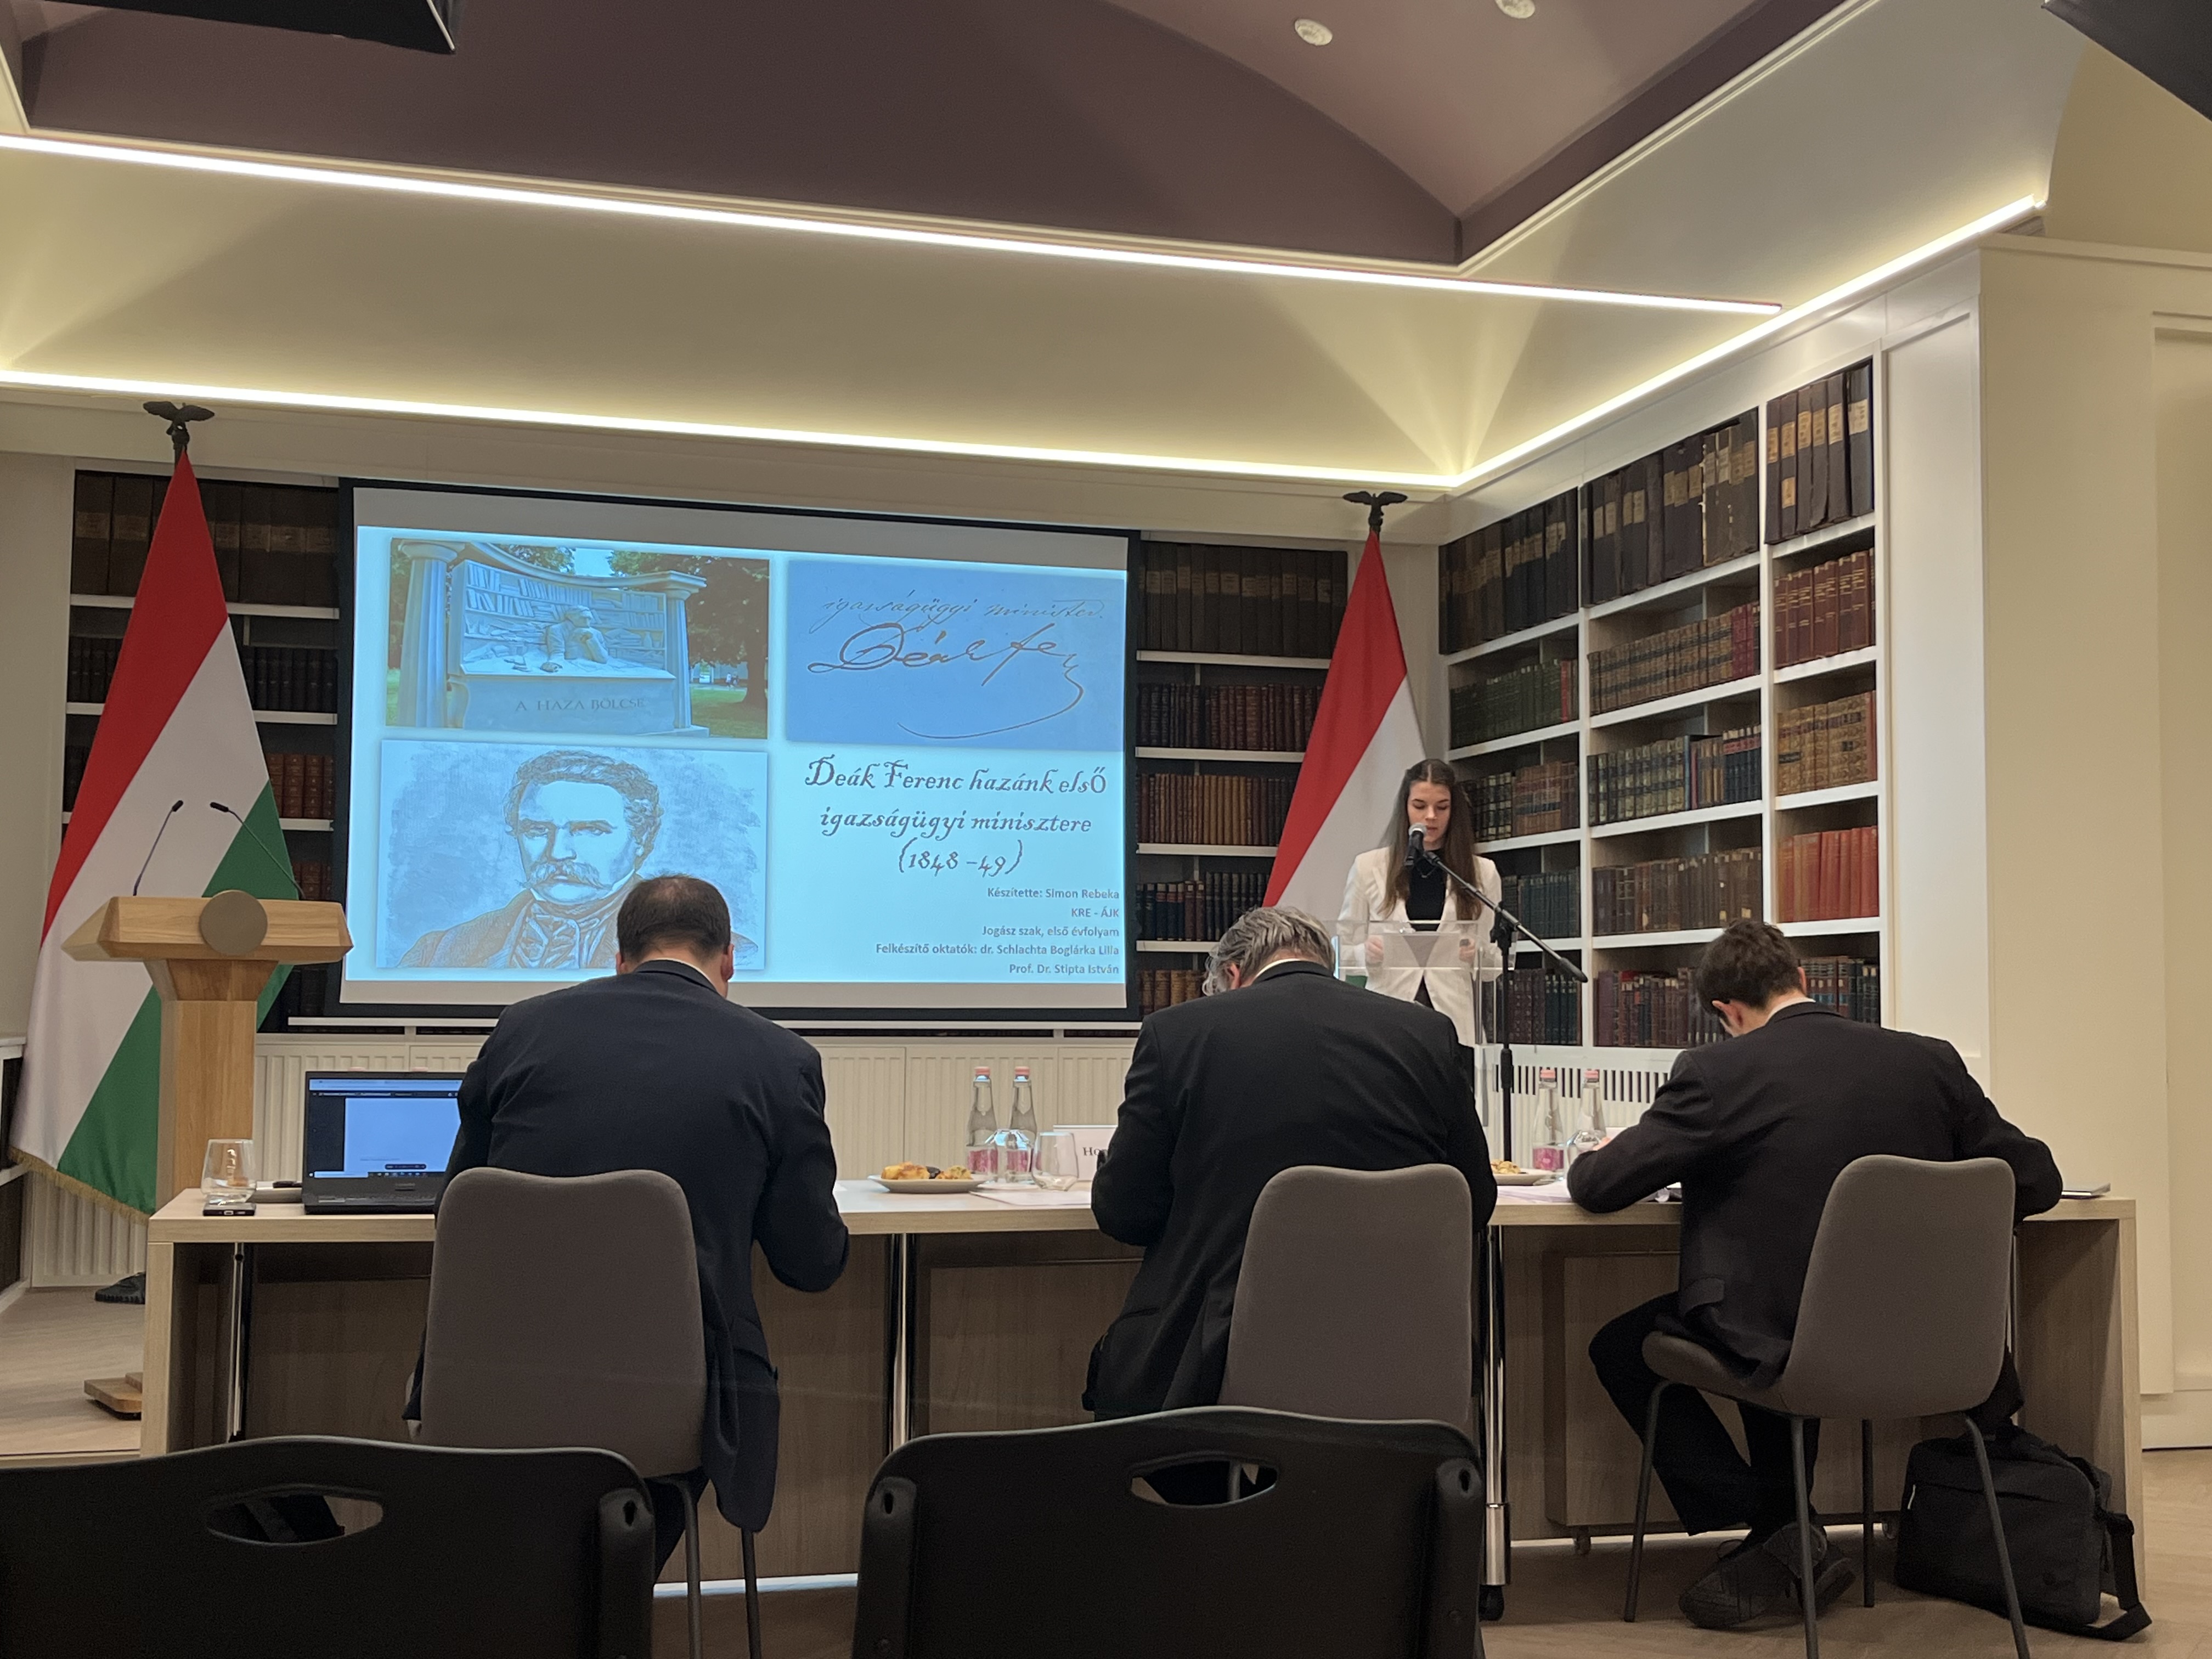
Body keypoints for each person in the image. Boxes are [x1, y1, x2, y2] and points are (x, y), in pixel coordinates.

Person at [1567, 919, 2061, 1629]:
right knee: (1770, 1310)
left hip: (1787, 1339)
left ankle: (1772, 1524)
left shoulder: (1717, 1073)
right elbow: (2038, 1181)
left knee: (1639, 1341)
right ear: (1800, 980)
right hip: (1935, 1339)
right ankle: (1784, 1528)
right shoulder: (1928, 1062)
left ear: (1727, 1011)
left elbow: (1598, 1187)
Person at [434, 872, 847, 1564]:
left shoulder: (521, 1029)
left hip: (496, 1382)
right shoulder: (782, 1060)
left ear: (620, 957)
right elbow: (811, 1264)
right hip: (676, 1407)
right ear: (729, 960)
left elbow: (459, 1209)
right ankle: (608, 1597)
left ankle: (544, 1601)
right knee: (652, 1474)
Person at [1084, 905, 1499, 1418]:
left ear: (1233, 973)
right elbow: (1474, 1202)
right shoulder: (1427, 1033)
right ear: (1324, 962)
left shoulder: (1177, 1033)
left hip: (1218, 1364)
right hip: (1403, 1358)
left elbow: (1125, 1213)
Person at [401, 748, 759, 970]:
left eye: (590, 830)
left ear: (642, 840)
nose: (558, 852)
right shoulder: (438, 952)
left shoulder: (725, 953)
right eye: (537, 830)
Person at [1338, 759, 1504, 1052]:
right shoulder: (1369, 867)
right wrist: (1366, 953)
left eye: (1442, 807)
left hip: (1454, 1024)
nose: (1430, 816)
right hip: (1387, 1021)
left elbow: (1494, 965)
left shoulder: (1482, 873)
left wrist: (1476, 953)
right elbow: (1342, 952)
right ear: (1405, 807)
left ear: (1454, 811)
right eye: (1420, 806)